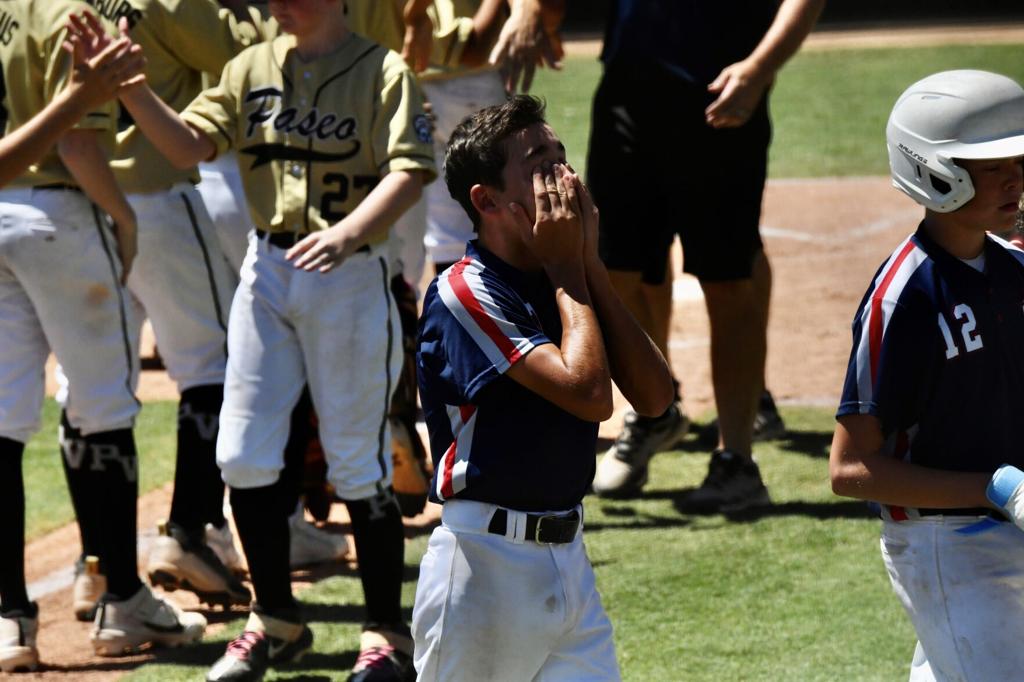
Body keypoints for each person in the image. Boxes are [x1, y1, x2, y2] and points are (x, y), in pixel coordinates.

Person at [111, 0, 436, 678]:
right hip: (267, 269)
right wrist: (130, 87)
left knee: (357, 459)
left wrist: (350, 232)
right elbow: (189, 146)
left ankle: (386, 635)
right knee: (243, 455)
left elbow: (411, 167)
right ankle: (277, 619)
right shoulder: (248, 66)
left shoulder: (383, 70)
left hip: (350, 272)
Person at [413, 95, 674, 680]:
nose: (565, 178)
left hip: (569, 561)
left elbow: (656, 399)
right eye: (539, 164)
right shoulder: (465, 292)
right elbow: (589, 395)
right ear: (488, 201)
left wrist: (588, 268)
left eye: (562, 157)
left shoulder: (564, 279)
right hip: (483, 571)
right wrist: (567, 272)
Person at [0, 3, 206, 673]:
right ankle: (121, 597)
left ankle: (9, 620)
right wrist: (122, 217)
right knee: (103, 409)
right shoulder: (72, 12)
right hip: (63, 219)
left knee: (3, 424)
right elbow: (78, 142)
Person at [62, 0, 260, 621]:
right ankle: (189, 531)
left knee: (86, 387)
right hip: (157, 198)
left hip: (81, 195)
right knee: (216, 363)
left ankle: (95, 564)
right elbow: (249, 59)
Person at [589, 0, 824, 508]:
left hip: (719, 93)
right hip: (627, 89)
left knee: (727, 279)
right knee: (614, 270)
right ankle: (656, 412)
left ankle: (737, 458)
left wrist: (761, 66)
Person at [830, 69, 1024, 681]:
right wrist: (995, 488)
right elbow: (850, 471)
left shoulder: (1014, 267)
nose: (1014, 176)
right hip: (948, 544)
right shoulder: (903, 297)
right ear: (934, 169)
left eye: (1018, 157)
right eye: (990, 164)